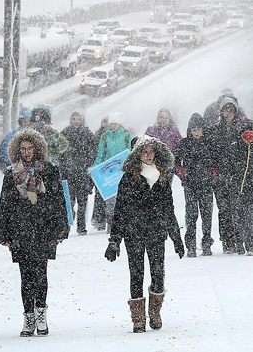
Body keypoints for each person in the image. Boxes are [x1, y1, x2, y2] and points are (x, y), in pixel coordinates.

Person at [104, 136, 184, 333]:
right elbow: (120, 211)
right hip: (134, 233)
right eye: (144, 152)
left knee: (158, 273)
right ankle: (138, 317)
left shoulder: (163, 177)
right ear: (137, 155)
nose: (148, 156)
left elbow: (168, 209)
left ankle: (155, 312)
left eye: (151, 152)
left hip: (156, 232)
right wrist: (115, 240)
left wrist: (176, 238)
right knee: (136, 274)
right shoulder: (127, 179)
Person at [0, 128, 69, 337]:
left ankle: (41, 314)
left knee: (41, 274)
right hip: (20, 230)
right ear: (18, 151)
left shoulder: (49, 170)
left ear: (37, 149)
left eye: (30, 148)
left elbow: (58, 200)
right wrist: (5, 234)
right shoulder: (11, 173)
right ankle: (28, 316)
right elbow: (5, 205)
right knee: (25, 276)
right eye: (23, 149)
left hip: (43, 229)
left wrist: (60, 228)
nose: (27, 152)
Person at [208, 97, 248, 254]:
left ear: (236, 111)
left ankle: (240, 239)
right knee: (223, 209)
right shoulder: (215, 130)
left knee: (237, 208)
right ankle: (227, 240)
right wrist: (215, 170)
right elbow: (211, 152)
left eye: (231, 110)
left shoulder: (242, 129)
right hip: (220, 176)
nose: (229, 113)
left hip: (237, 175)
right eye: (226, 110)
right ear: (222, 111)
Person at [174, 113, 215, 257]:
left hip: (206, 185)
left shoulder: (209, 143)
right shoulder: (184, 144)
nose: (196, 133)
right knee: (191, 215)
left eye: (199, 129)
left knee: (207, 215)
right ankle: (190, 244)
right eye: (194, 130)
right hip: (190, 185)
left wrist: (212, 175)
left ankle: (206, 242)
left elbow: (217, 161)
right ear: (189, 130)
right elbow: (174, 161)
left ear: (203, 129)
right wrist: (182, 175)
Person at [92, 112, 134, 232]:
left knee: (125, 198)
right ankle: (112, 225)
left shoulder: (127, 136)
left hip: (123, 171)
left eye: (115, 123)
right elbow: (101, 154)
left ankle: (125, 223)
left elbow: (132, 152)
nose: (113, 126)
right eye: (111, 123)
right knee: (110, 200)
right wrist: (95, 168)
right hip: (109, 172)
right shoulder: (104, 137)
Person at [58, 112, 97, 235]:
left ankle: (81, 227)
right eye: (73, 119)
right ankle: (67, 226)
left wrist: (87, 163)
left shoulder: (87, 134)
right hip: (68, 174)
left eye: (78, 119)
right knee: (69, 202)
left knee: (82, 202)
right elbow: (60, 152)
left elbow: (93, 150)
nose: (76, 121)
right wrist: (63, 167)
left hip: (82, 173)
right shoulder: (64, 133)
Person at [230, 121, 253, 256]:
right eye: (246, 135)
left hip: (251, 188)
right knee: (238, 217)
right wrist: (231, 179)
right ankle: (239, 243)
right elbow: (228, 165)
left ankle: (250, 244)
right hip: (237, 188)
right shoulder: (235, 147)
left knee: (250, 217)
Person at [0, 107, 33, 173]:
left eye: (29, 120)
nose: (26, 123)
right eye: (24, 120)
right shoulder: (12, 135)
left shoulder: (38, 135)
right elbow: (4, 153)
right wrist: (14, 167)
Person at [91, 117, 109, 231]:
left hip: (111, 169)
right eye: (104, 122)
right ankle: (99, 218)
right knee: (100, 195)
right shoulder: (98, 136)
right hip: (101, 169)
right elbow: (95, 152)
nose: (106, 124)